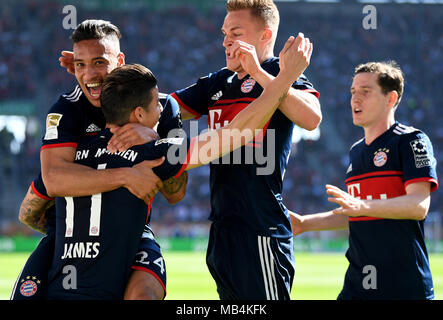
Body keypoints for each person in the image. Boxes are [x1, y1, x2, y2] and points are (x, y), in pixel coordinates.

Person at [59, 0, 320, 300]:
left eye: (235, 33)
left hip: (260, 227)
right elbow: (153, 105)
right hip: (222, 228)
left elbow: (311, 118)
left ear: (264, 35)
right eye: (224, 33)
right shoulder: (218, 82)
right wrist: (101, 73)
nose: (225, 41)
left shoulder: (279, 71)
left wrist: (261, 73)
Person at [11, 19, 178, 300]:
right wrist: (125, 175)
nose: (89, 75)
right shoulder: (67, 109)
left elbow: (177, 191)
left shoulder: (156, 106)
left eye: (99, 62)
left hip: (131, 236)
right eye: (80, 64)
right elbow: (52, 181)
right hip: (67, 238)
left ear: (120, 61)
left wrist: (154, 136)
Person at [291, 61, 438, 300]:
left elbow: (418, 205)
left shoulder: (412, 141)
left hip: (403, 287)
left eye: (365, 92)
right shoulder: (356, 152)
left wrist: (362, 206)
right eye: (353, 92)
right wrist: (305, 223)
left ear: (390, 99)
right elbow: (359, 215)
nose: (355, 99)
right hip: (358, 285)